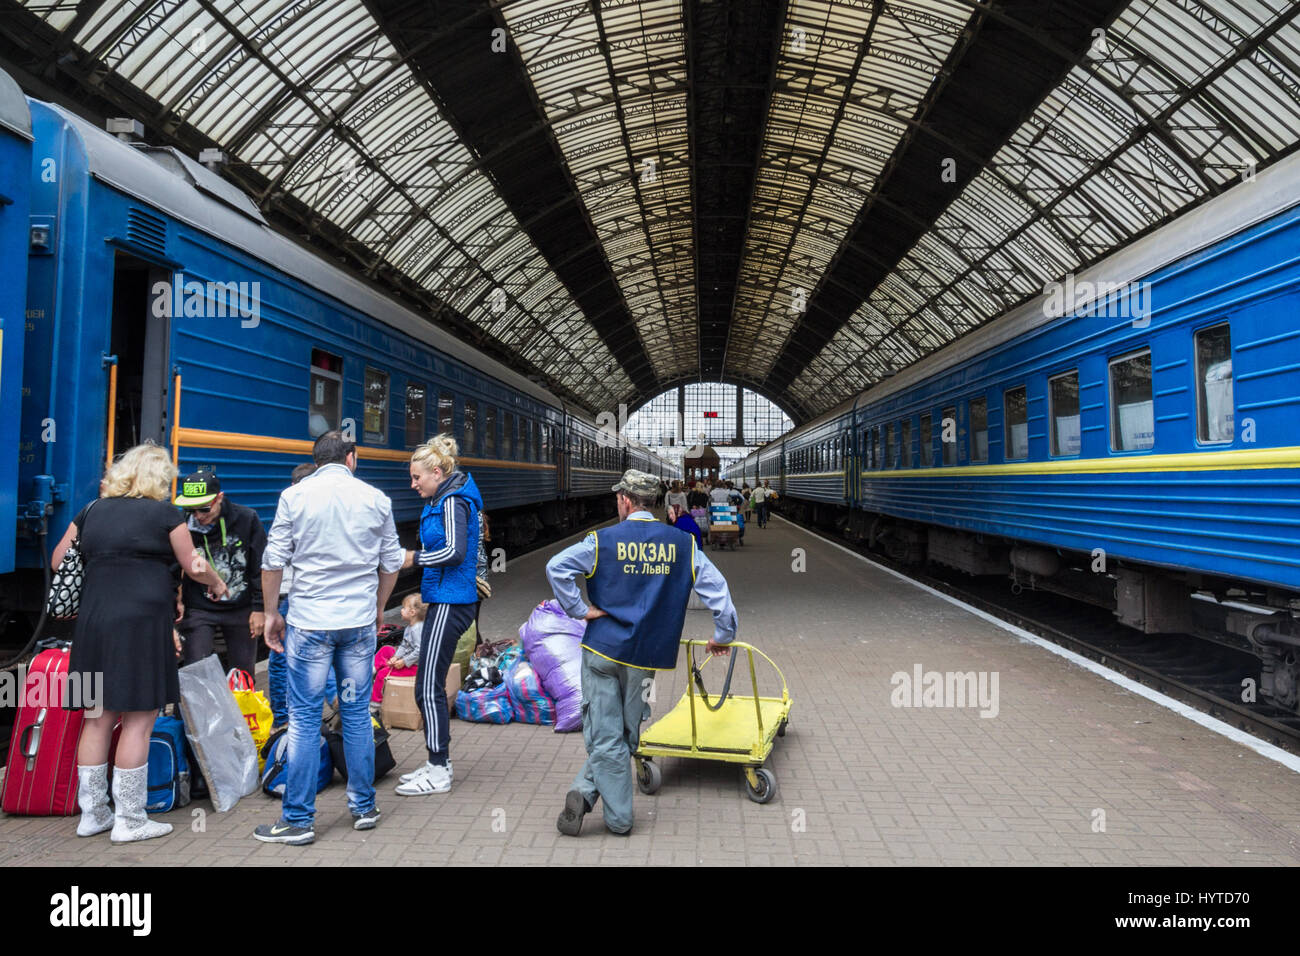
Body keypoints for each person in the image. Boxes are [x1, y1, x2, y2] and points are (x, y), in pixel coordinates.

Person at [545, 469, 737, 836]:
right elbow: (720, 594)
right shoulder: (683, 544)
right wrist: (723, 635)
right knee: (629, 732)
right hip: (646, 657)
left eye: (618, 498)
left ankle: (616, 818)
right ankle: (584, 794)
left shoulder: (601, 541)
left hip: (601, 650)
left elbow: (557, 567)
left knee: (606, 736)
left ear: (626, 501)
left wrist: (578, 609)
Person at [53, 443, 228, 843]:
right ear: (158, 480)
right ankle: (130, 820)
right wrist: (216, 581)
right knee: (139, 717)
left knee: (96, 717)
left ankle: (92, 814)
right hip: (141, 626)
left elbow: (59, 560)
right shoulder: (165, 514)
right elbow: (192, 566)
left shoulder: (90, 511)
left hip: (93, 624)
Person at [255, 431, 404, 845]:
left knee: (303, 721)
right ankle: (364, 807)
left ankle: (299, 820)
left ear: (317, 462)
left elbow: (272, 561)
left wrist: (271, 615)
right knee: (356, 713)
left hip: (310, 624)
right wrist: (378, 606)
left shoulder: (296, 496)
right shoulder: (376, 499)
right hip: (357, 626)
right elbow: (391, 562)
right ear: (351, 459)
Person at [394, 434, 482, 796]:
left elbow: (454, 552)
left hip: (452, 600)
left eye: (417, 478)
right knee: (426, 685)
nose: (413, 485)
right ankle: (436, 763)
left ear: (436, 471)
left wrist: (412, 557)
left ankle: (439, 768)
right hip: (444, 599)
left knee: (428, 686)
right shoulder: (442, 499)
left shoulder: (451, 501)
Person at [261, 462, 337, 731]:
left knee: (281, 658)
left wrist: (268, 609)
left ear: (293, 485)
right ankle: (335, 698)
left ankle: (282, 717)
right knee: (320, 653)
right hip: (322, 596)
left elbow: (273, 559)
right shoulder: (327, 510)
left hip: (292, 595)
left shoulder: (291, 506)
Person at [172, 468, 266, 675]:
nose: (198, 515)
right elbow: (174, 566)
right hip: (199, 608)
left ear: (219, 498)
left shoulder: (247, 519)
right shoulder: (183, 525)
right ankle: (190, 708)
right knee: (196, 669)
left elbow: (259, 566)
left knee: (243, 673)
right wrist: (176, 601)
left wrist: (260, 608)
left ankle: (240, 707)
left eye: (204, 509)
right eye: (191, 510)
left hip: (240, 608)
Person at [371, 594, 426, 707]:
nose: (401, 610)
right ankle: (372, 670)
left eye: (403, 608)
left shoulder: (417, 629)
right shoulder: (410, 627)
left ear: (412, 613)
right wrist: (396, 657)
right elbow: (404, 645)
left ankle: (375, 703)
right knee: (386, 649)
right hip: (407, 659)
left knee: (383, 674)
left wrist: (404, 661)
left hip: (415, 666)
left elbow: (420, 650)